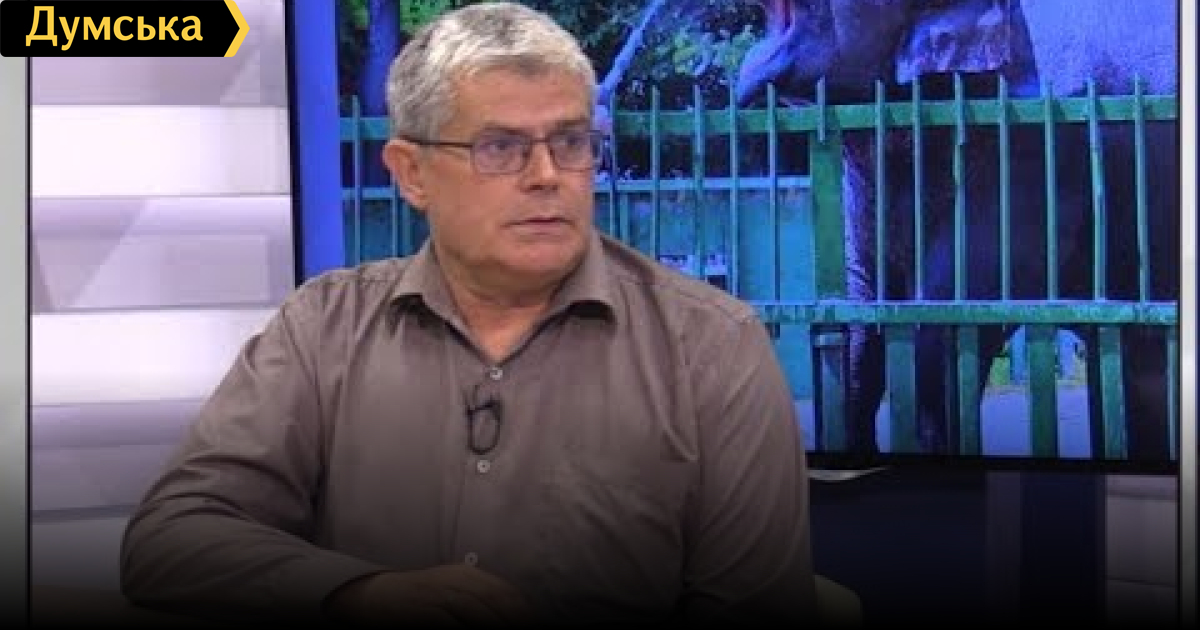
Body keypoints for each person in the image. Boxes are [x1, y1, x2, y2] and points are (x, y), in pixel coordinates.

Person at [119, 3, 819, 626]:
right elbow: (173, 539)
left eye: (571, 142)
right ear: (411, 173)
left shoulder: (711, 346)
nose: (546, 175)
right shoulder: (322, 328)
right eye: (500, 148)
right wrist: (357, 594)